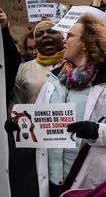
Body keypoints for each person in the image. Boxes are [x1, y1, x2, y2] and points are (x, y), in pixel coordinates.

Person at [33, 13, 106, 197]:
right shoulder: (54, 80)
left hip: (88, 177)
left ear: (86, 43)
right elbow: (40, 120)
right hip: (52, 176)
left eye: (70, 36)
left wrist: (95, 130)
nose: (64, 41)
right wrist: (21, 127)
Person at [6, 19, 65, 197]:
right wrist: (12, 121)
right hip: (33, 142)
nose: (45, 36)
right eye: (39, 34)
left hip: (66, 142)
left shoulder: (76, 65)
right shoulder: (25, 69)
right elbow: (15, 103)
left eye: (51, 32)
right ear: (35, 42)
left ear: (62, 37)